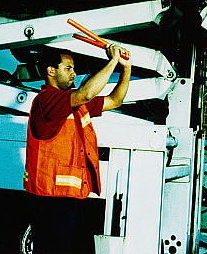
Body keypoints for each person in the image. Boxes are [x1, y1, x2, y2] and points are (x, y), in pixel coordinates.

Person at [24, 43, 132, 254]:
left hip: (68, 198)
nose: (74, 73)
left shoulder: (72, 103)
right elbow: (87, 94)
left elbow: (115, 100)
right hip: (50, 201)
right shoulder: (48, 100)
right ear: (51, 71)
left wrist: (125, 68)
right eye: (68, 68)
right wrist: (112, 61)